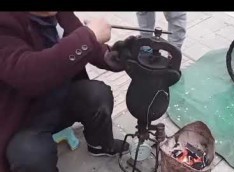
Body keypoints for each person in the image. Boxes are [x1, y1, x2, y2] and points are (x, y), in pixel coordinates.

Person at [0, 12, 135, 172]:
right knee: (32, 155)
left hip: (58, 97)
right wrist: (89, 35)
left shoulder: (56, 13)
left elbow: (81, 41)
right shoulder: (5, 21)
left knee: (97, 94)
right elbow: (29, 73)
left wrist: (111, 56)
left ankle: (99, 144)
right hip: (25, 115)